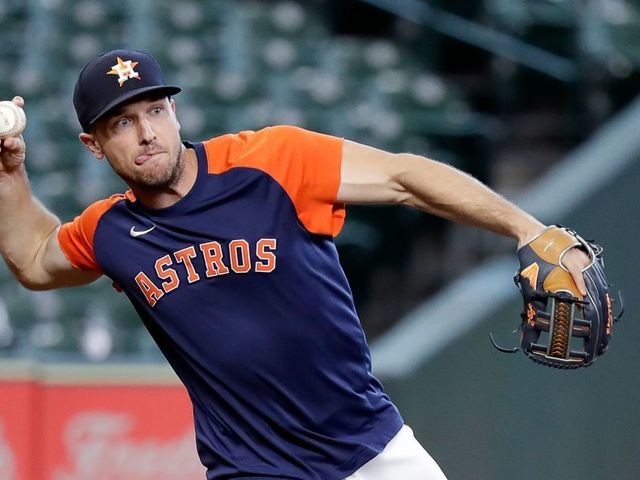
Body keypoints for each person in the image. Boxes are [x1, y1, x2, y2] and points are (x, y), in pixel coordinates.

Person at [0, 49, 590, 480]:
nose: (145, 133)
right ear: (93, 145)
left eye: (154, 110)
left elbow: (404, 177)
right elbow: (32, 257)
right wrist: (8, 172)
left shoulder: (273, 161)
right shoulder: (112, 231)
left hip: (373, 450)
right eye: (121, 123)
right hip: (252, 469)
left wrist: (526, 227)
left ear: (176, 112)